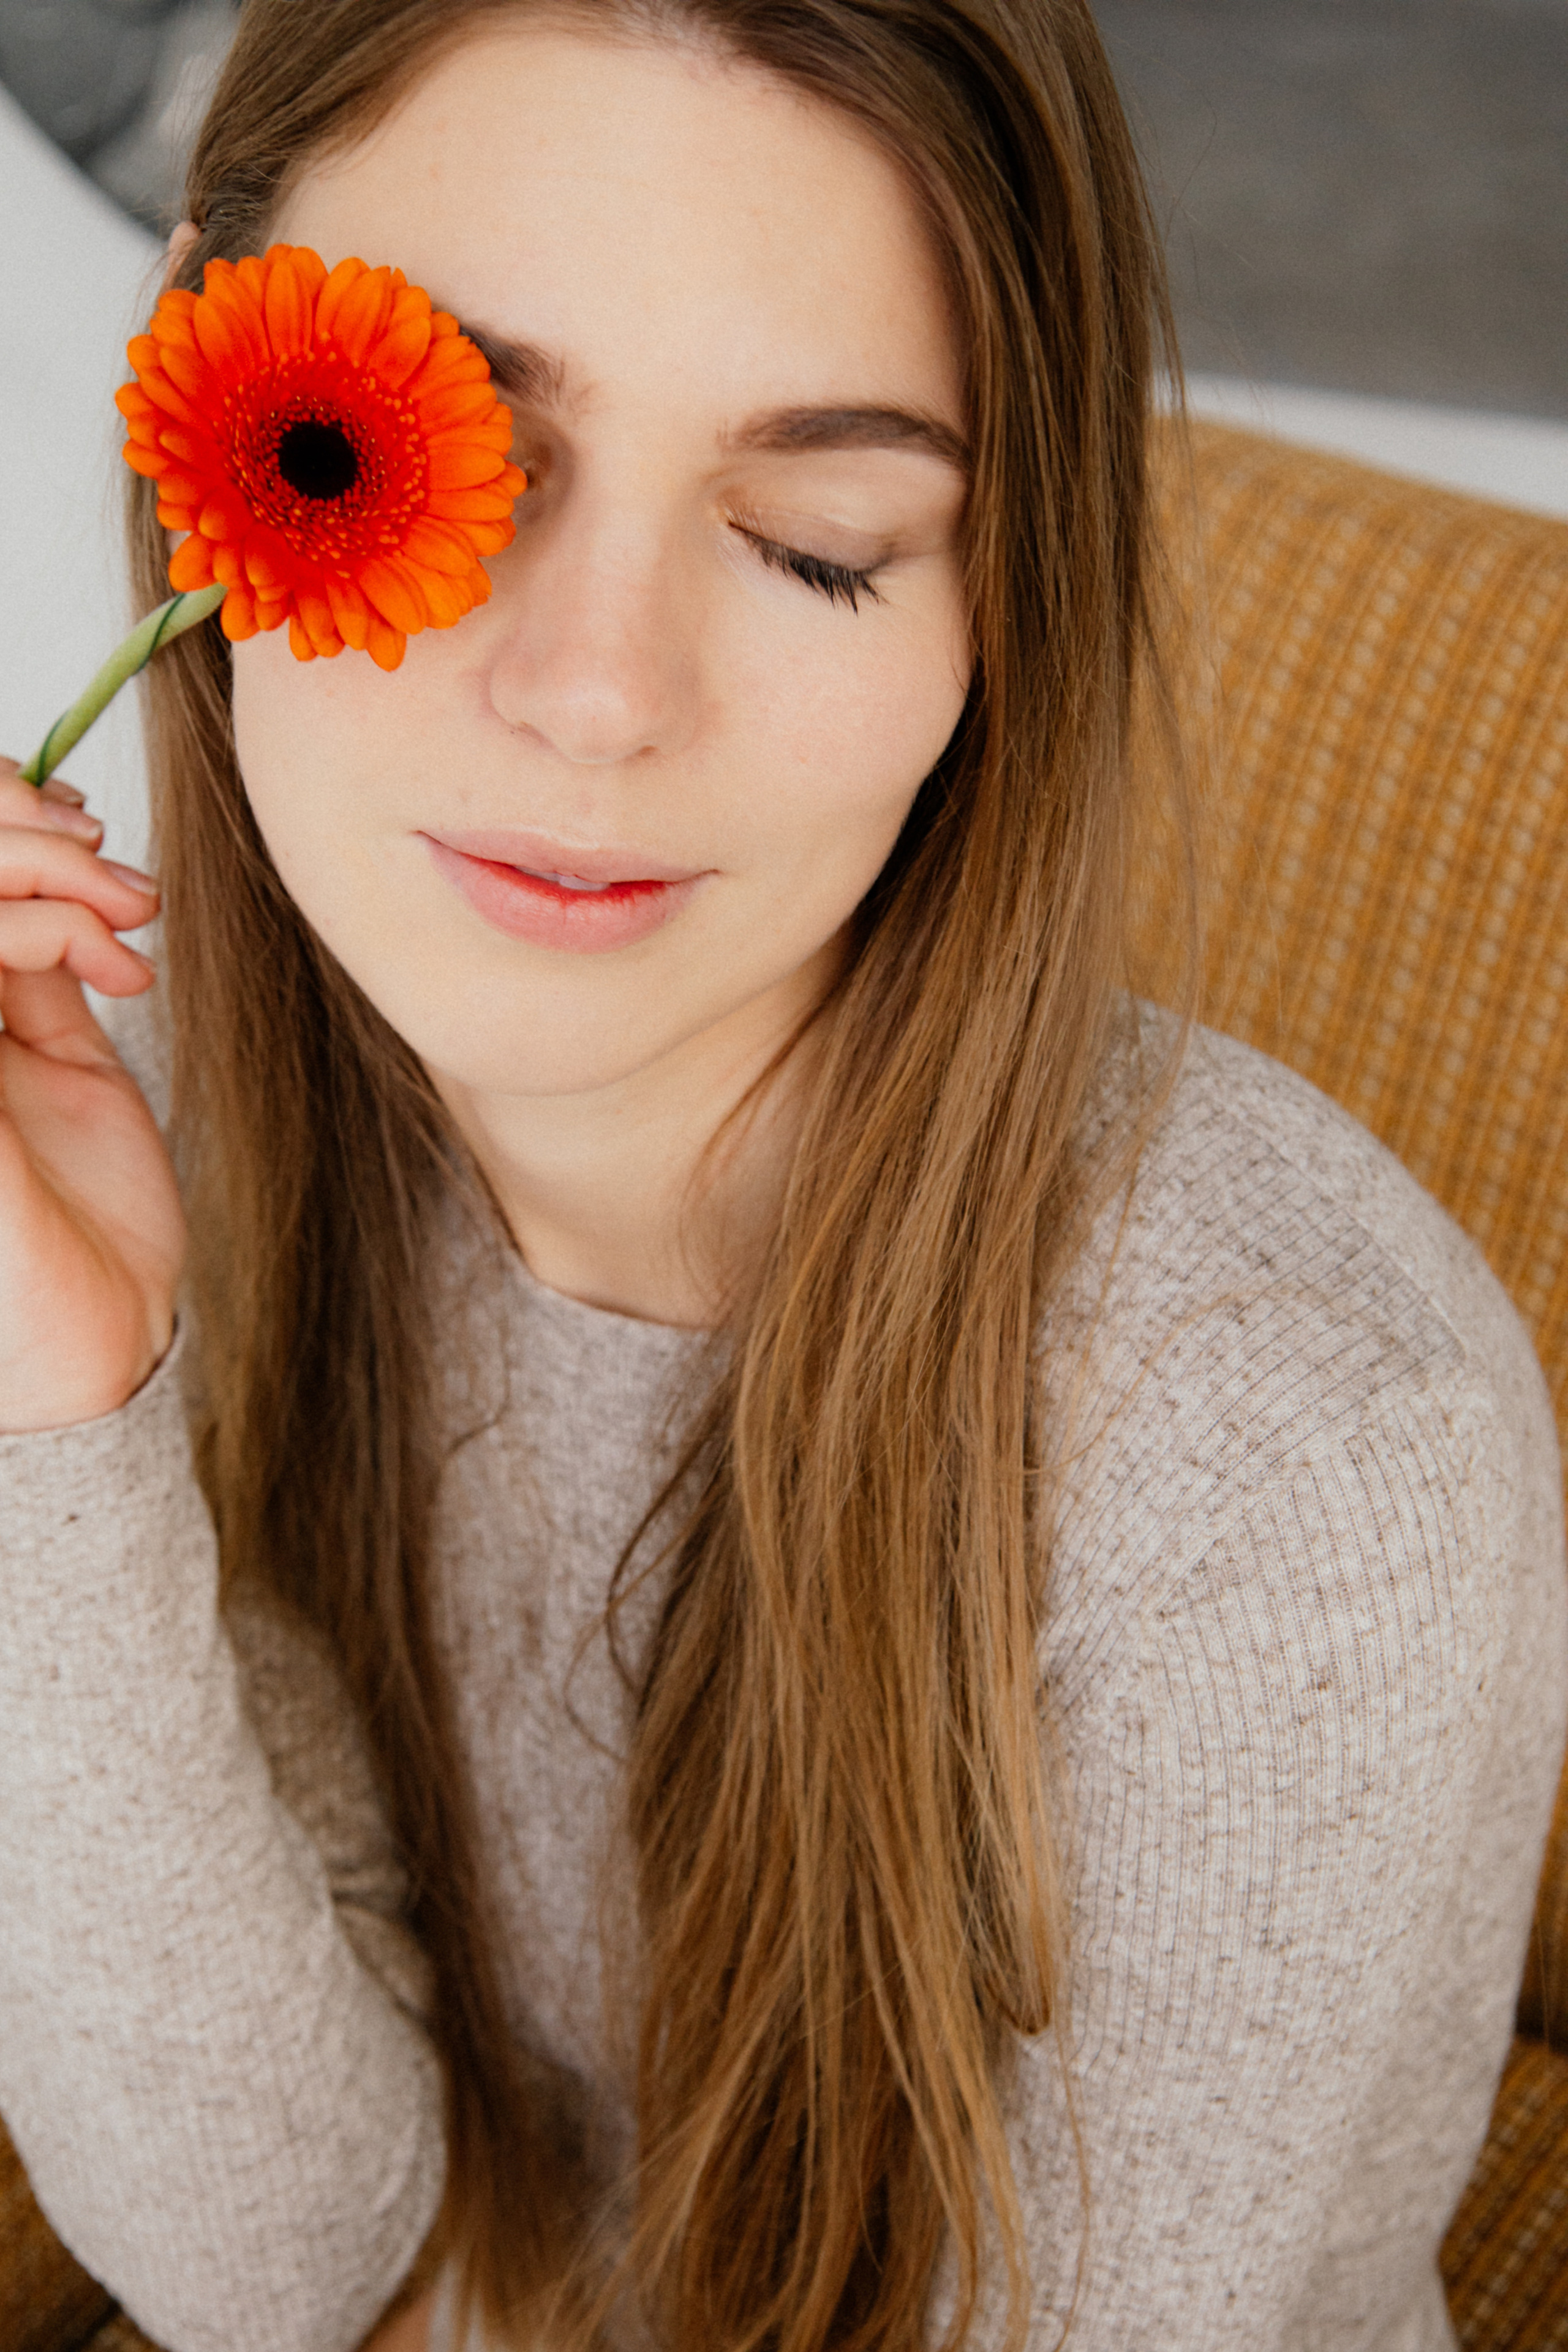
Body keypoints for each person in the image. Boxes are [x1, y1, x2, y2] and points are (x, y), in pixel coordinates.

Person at [1, 2, 1563, 2348]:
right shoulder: (132, 1120)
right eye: (461, 464)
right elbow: (282, 2265)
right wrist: (59, 1420)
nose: (601, 691)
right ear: (220, 460)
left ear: (990, 631)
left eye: (825, 550)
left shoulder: (1295, 1455)